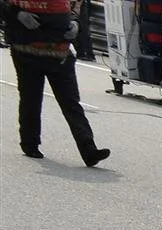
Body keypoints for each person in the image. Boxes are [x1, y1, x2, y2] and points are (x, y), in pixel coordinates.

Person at [5, 0, 108, 164]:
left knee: (71, 102)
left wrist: (75, 24)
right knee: (31, 98)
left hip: (60, 52)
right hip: (27, 50)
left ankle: (88, 149)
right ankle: (30, 144)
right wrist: (18, 14)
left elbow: (76, 7)